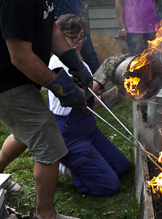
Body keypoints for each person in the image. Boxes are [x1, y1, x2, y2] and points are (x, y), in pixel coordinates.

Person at [0, 0, 93, 218]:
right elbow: (20, 56)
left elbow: (50, 29)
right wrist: (61, 87)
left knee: (23, 133)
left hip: (21, 79)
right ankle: (46, 214)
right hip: (6, 83)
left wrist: (75, 63)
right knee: (50, 146)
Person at [48, 14, 130, 197]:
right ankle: (62, 167)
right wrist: (106, 69)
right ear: (59, 37)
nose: (78, 42)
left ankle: (87, 163)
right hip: (68, 135)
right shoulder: (56, 63)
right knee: (109, 185)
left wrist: (121, 91)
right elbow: (80, 94)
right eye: (72, 38)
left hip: (87, 129)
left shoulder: (80, 62)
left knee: (122, 167)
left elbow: (91, 102)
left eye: (82, 36)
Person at [54, 0, 100, 74]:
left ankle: (97, 81)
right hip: (56, 22)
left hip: (75, 17)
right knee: (59, 55)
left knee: (89, 53)